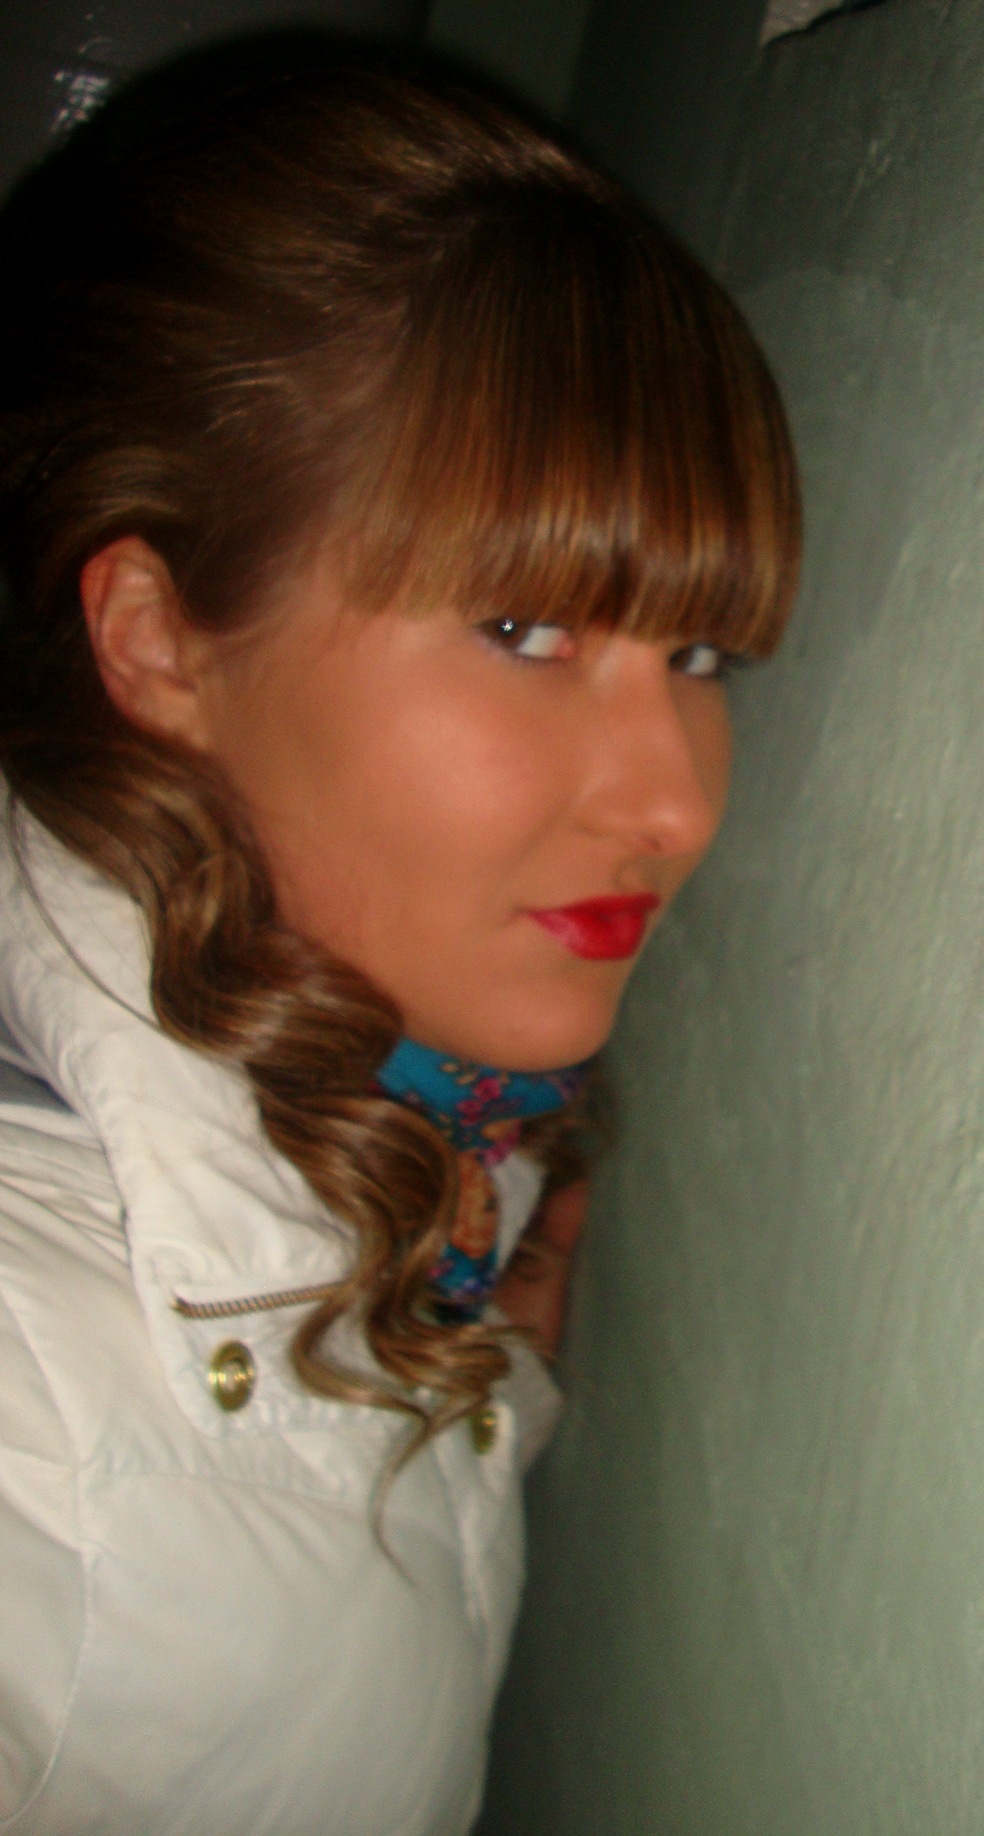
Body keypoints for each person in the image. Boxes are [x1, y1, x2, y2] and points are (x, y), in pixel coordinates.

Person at [0, 32, 801, 1836]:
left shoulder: (401, 1090)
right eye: (523, 628)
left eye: (699, 653)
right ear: (157, 636)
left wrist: (469, 1356)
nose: (675, 806)